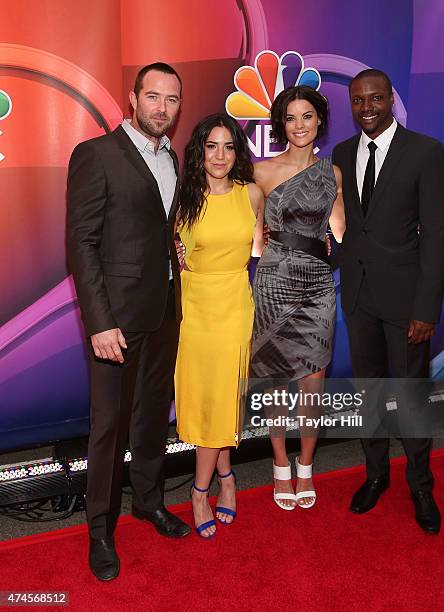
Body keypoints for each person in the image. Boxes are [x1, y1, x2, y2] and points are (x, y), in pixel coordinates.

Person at [66, 62, 191, 581]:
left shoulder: (172, 158)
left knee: (150, 418)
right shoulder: (96, 155)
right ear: (133, 99)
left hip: (162, 311)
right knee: (109, 428)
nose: (163, 108)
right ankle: (100, 529)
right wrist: (99, 321)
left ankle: (148, 500)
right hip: (114, 320)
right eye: (154, 97)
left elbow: (157, 228)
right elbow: (82, 244)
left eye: (172, 99)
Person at [332, 69, 444, 534]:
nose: (367, 108)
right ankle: (376, 475)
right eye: (358, 101)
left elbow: (435, 237)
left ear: (391, 99)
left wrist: (426, 309)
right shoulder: (342, 153)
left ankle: (421, 485)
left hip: (406, 305)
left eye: (375, 99)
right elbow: (352, 229)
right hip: (359, 299)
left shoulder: (424, 151)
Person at [250, 85, 345, 510]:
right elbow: (246, 231)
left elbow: (342, 232)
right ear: (280, 124)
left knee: (313, 381)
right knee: (273, 381)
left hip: (318, 286)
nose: (300, 125)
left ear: (319, 120)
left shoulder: (334, 173)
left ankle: (306, 464)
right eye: (291, 117)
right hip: (273, 282)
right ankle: (278, 463)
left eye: (307, 116)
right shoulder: (261, 171)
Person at [174, 113, 264, 538]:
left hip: (235, 305)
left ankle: (204, 487)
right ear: (199, 151)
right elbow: (177, 258)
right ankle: (220, 480)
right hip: (197, 309)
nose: (220, 155)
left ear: (238, 153)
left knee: (225, 396)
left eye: (229, 146)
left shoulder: (252, 196)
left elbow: (258, 251)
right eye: (212, 145)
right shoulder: (184, 199)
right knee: (210, 399)